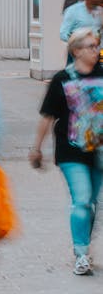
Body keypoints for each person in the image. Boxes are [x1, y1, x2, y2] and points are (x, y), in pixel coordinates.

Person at [30, 27, 103, 276]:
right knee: (81, 199)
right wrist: (36, 148)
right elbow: (47, 115)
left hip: (99, 151)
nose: (97, 51)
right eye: (92, 47)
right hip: (70, 150)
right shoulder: (62, 79)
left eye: (97, 46)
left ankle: (83, 244)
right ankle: (81, 255)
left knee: (92, 204)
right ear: (76, 51)